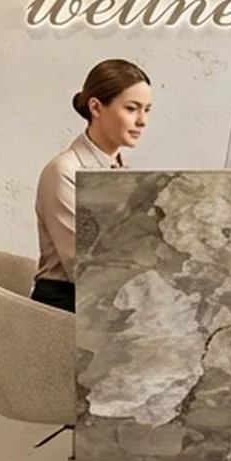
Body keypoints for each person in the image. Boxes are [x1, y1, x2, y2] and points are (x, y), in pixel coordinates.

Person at [32, 59, 153, 311]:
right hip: (66, 306)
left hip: (100, 299)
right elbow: (85, 266)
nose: (142, 121)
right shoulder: (63, 171)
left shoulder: (120, 170)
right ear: (96, 107)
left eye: (147, 109)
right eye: (132, 108)